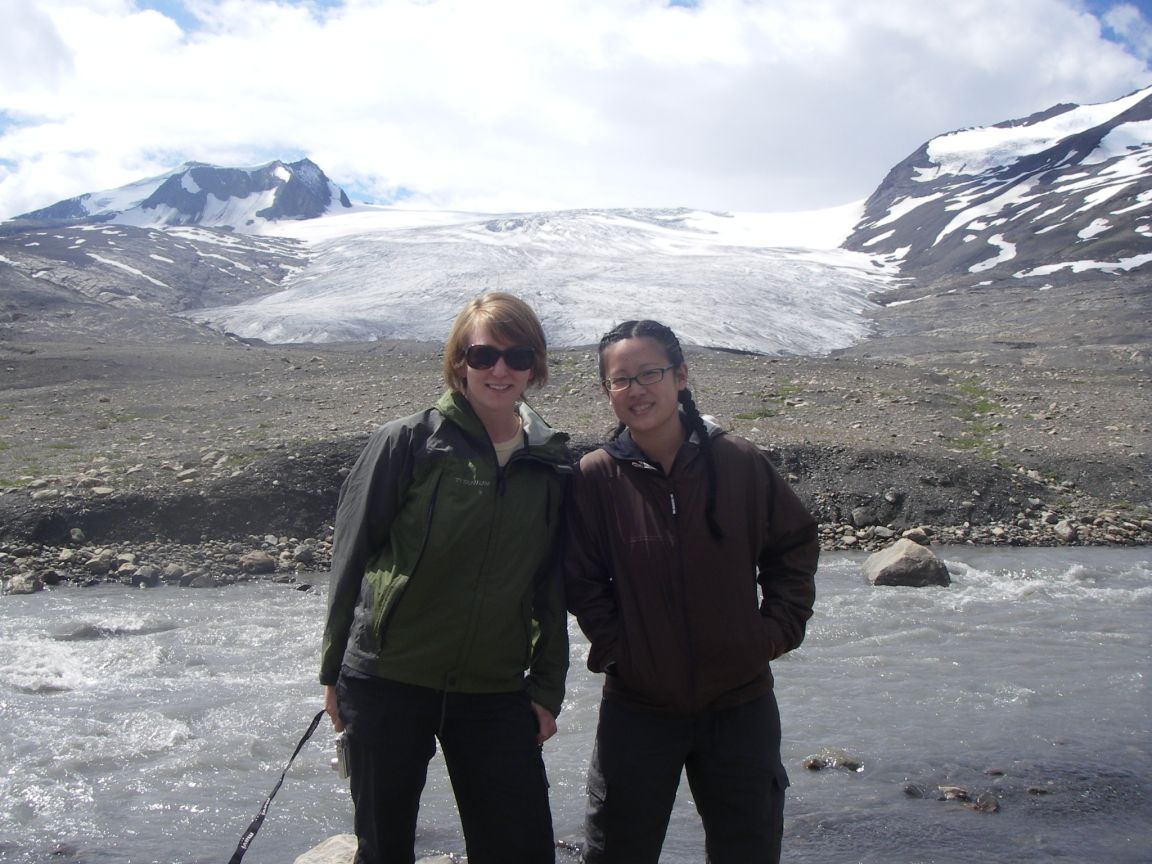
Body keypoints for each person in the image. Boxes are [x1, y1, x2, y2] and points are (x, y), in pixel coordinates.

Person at [319, 292, 571, 864]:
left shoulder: (550, 464)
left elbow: (549, 589)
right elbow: (351, 558)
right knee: (384, 850)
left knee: (522, 848)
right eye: (483, 355)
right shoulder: (407, 442)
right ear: (459, 361)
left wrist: (547, 689)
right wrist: (333, 672)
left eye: (517, 355)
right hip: (388, 681)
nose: (500, 370)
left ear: (536, 365)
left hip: (495, 689)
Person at [564, 319, 819, 864]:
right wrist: (618, 649)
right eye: (621, 380)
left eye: (649, 373)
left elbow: (792, 546)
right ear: (606, 392)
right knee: (617, 852)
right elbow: (580, 580)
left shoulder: (740, 463)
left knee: (747, 851)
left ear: (680, 376)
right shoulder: (595, 478)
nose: (637, 389)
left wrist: (773, 632)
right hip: (638, 706)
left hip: (740, 703)